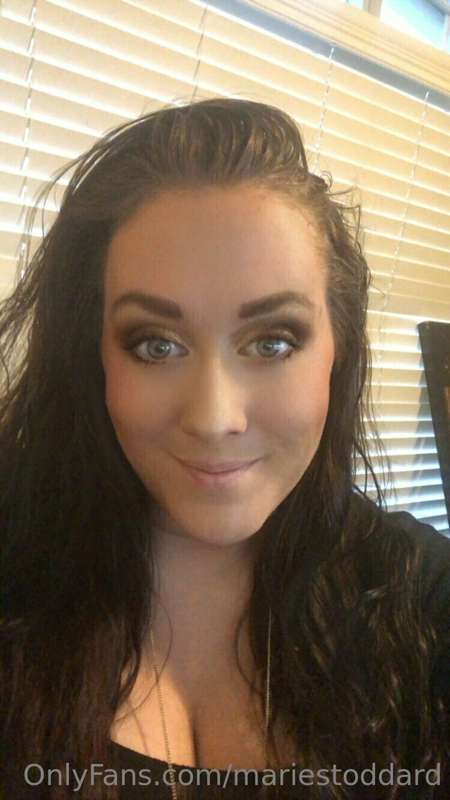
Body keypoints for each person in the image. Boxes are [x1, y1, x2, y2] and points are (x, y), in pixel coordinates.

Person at [0, 97, 449, 800]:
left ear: (337, 350)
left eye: (272, 342)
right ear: (94, 357)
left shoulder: (423, 605)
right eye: (156, 345)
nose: (214, 419)